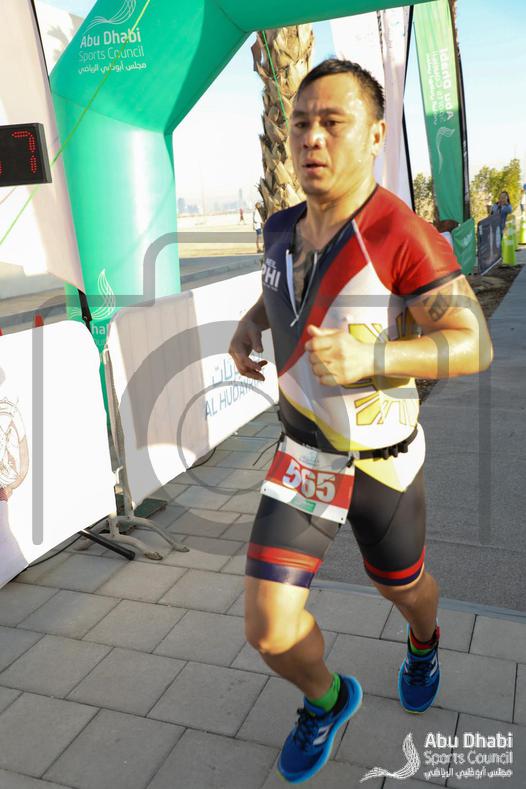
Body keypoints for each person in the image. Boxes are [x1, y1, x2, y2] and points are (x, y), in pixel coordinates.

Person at [229, 58, 493, 785]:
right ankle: (328, 699)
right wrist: (252, 323)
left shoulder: (402, 234)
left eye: (332, 122)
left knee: (403, 587)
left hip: (383, 463)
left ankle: (424, 641)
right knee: (268, 630)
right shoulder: (280, 227)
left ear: (375, 135)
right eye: (299, 123)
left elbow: (474, 342)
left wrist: (375, 354)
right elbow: (282, 290)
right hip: (304, 458)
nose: (311, 138)